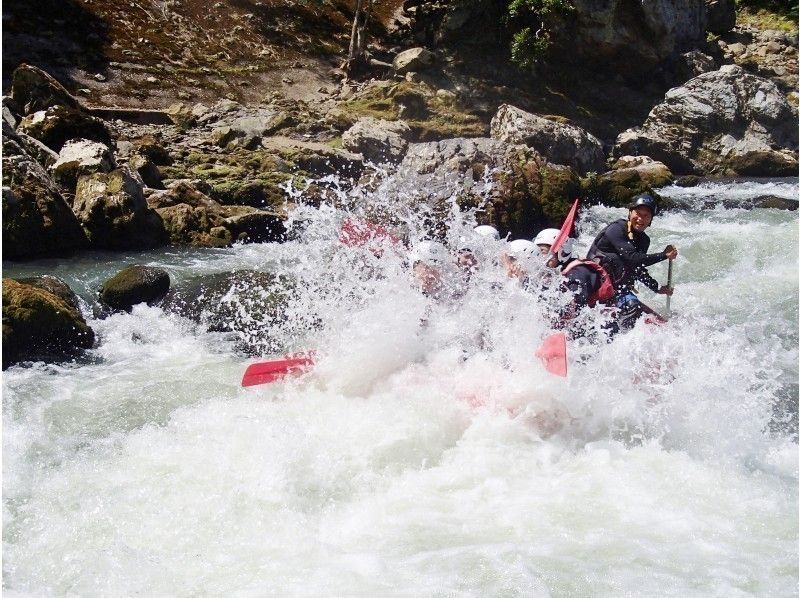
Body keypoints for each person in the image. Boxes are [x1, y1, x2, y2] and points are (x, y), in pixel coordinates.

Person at [586, 193, 677, 330]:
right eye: (638, 213)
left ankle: (622, 338)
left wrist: (656, 288)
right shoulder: (616, 229)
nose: (641, 219)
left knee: (632, 305)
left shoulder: (644, 240)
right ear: (630, 212)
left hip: (617, 290)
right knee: (629, 306)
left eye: (646, 216)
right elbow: (632, 258)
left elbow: (637, 268)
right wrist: (664, 255)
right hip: (595, 286)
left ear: (651, 220)